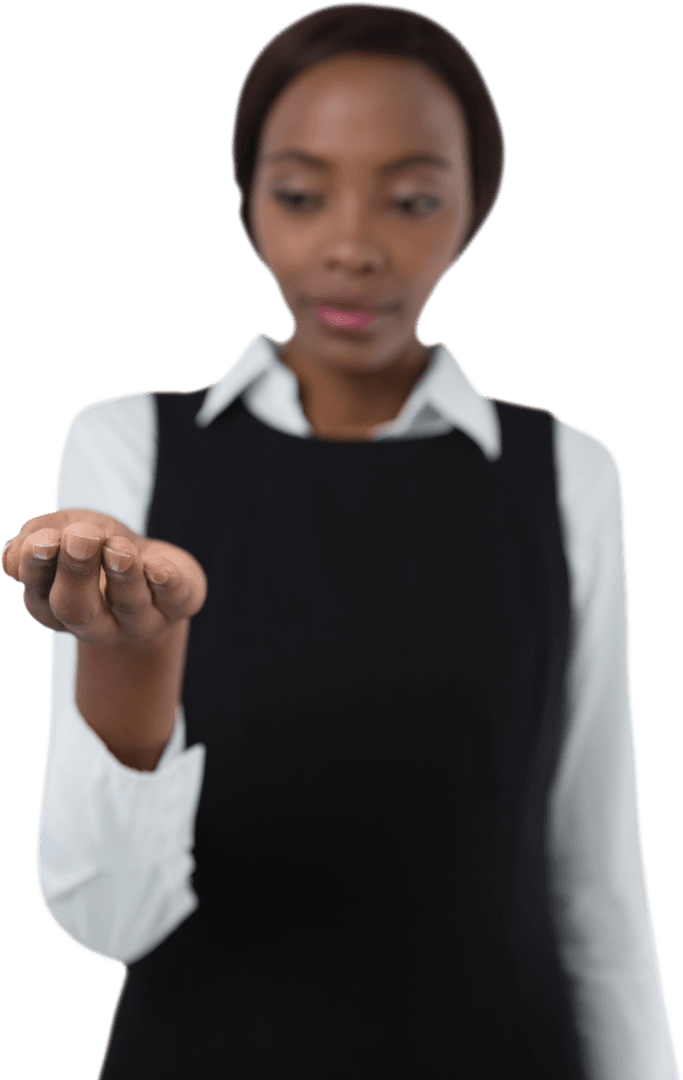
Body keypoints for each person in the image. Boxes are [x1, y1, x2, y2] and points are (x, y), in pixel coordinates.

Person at [2, 4, 680, 1078]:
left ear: (471, 211)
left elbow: (592, 870)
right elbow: (104, 921)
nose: (353, 246)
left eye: (409, 199)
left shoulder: (568, 472)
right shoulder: (125, 446)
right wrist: (128, 666)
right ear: (248, 207)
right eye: (301, 195)